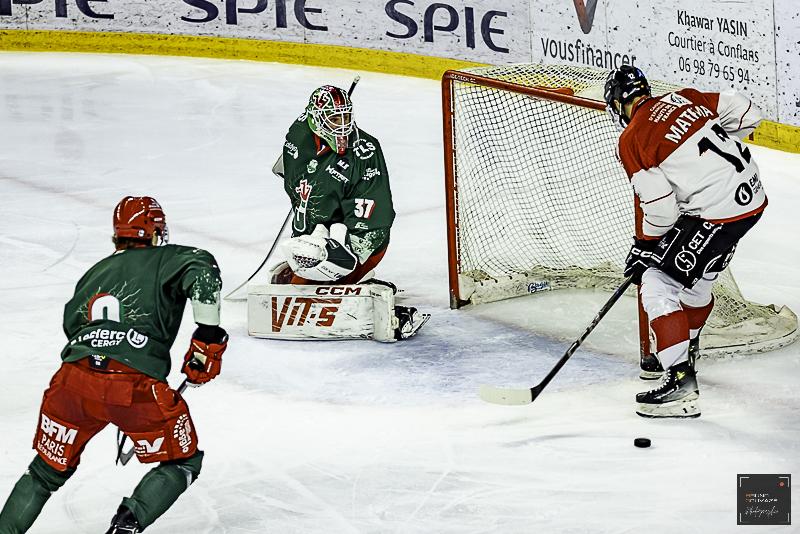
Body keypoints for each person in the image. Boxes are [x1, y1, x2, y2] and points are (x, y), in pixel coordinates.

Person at [0, 196, 228, 533]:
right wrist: (208, 335)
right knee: (183, 461)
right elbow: (203, 268)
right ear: (155, 232)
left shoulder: (94, 272)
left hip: (71, 382)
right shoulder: (167, 258)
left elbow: (72, 325)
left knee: (45, 471)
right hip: (133, 387)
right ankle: (125, 527)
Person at [604, 66, 766, 418]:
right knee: (697, 282)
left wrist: (644, 245)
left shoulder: (632, 138)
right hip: (751, 199)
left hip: (718, 213)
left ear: (617, 104)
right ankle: (685, 351)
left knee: (656, 282)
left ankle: (679, 382)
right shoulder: (684, 97)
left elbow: (661, 209)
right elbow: (747, 112)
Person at [271, 84, 427, 339]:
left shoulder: (365, 153)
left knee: (297, 295)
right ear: (315, 119)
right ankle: (329, 281)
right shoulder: (298, 133)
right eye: (335, 118)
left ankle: (366, 295)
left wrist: (344, 260)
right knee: (296, 275)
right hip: (315, 234)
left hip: (357, 241)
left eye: (346, 117)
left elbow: (374, 220)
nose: (343, 126)